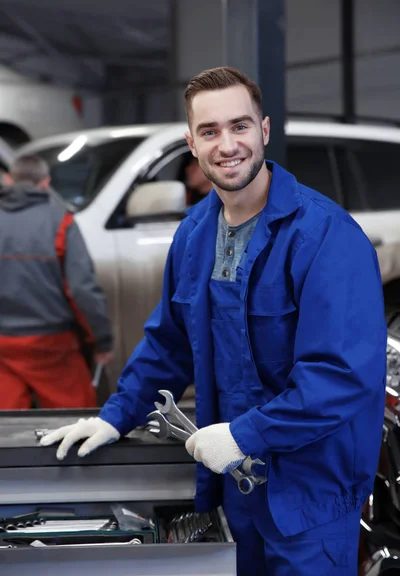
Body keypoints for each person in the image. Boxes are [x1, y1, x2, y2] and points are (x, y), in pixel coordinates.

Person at [40, 67, 387, 575]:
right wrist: (116, 415)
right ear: (191, 144)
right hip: (234, 484)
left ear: (264, 131)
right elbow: (170, 343)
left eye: (240, 126)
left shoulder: (326, 237)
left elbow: (339, 378)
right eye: (210, 131)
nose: (228, 145)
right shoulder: (194, 235)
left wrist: (245, 434)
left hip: (311, 492)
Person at [0, 155, 113, 409]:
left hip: (3, 346)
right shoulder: (61, 222)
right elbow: (81, 290)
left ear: (9, 179)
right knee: (72, 421)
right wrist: (101, 341)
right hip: (52, 347)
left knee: (5, 430)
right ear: (45, 182)